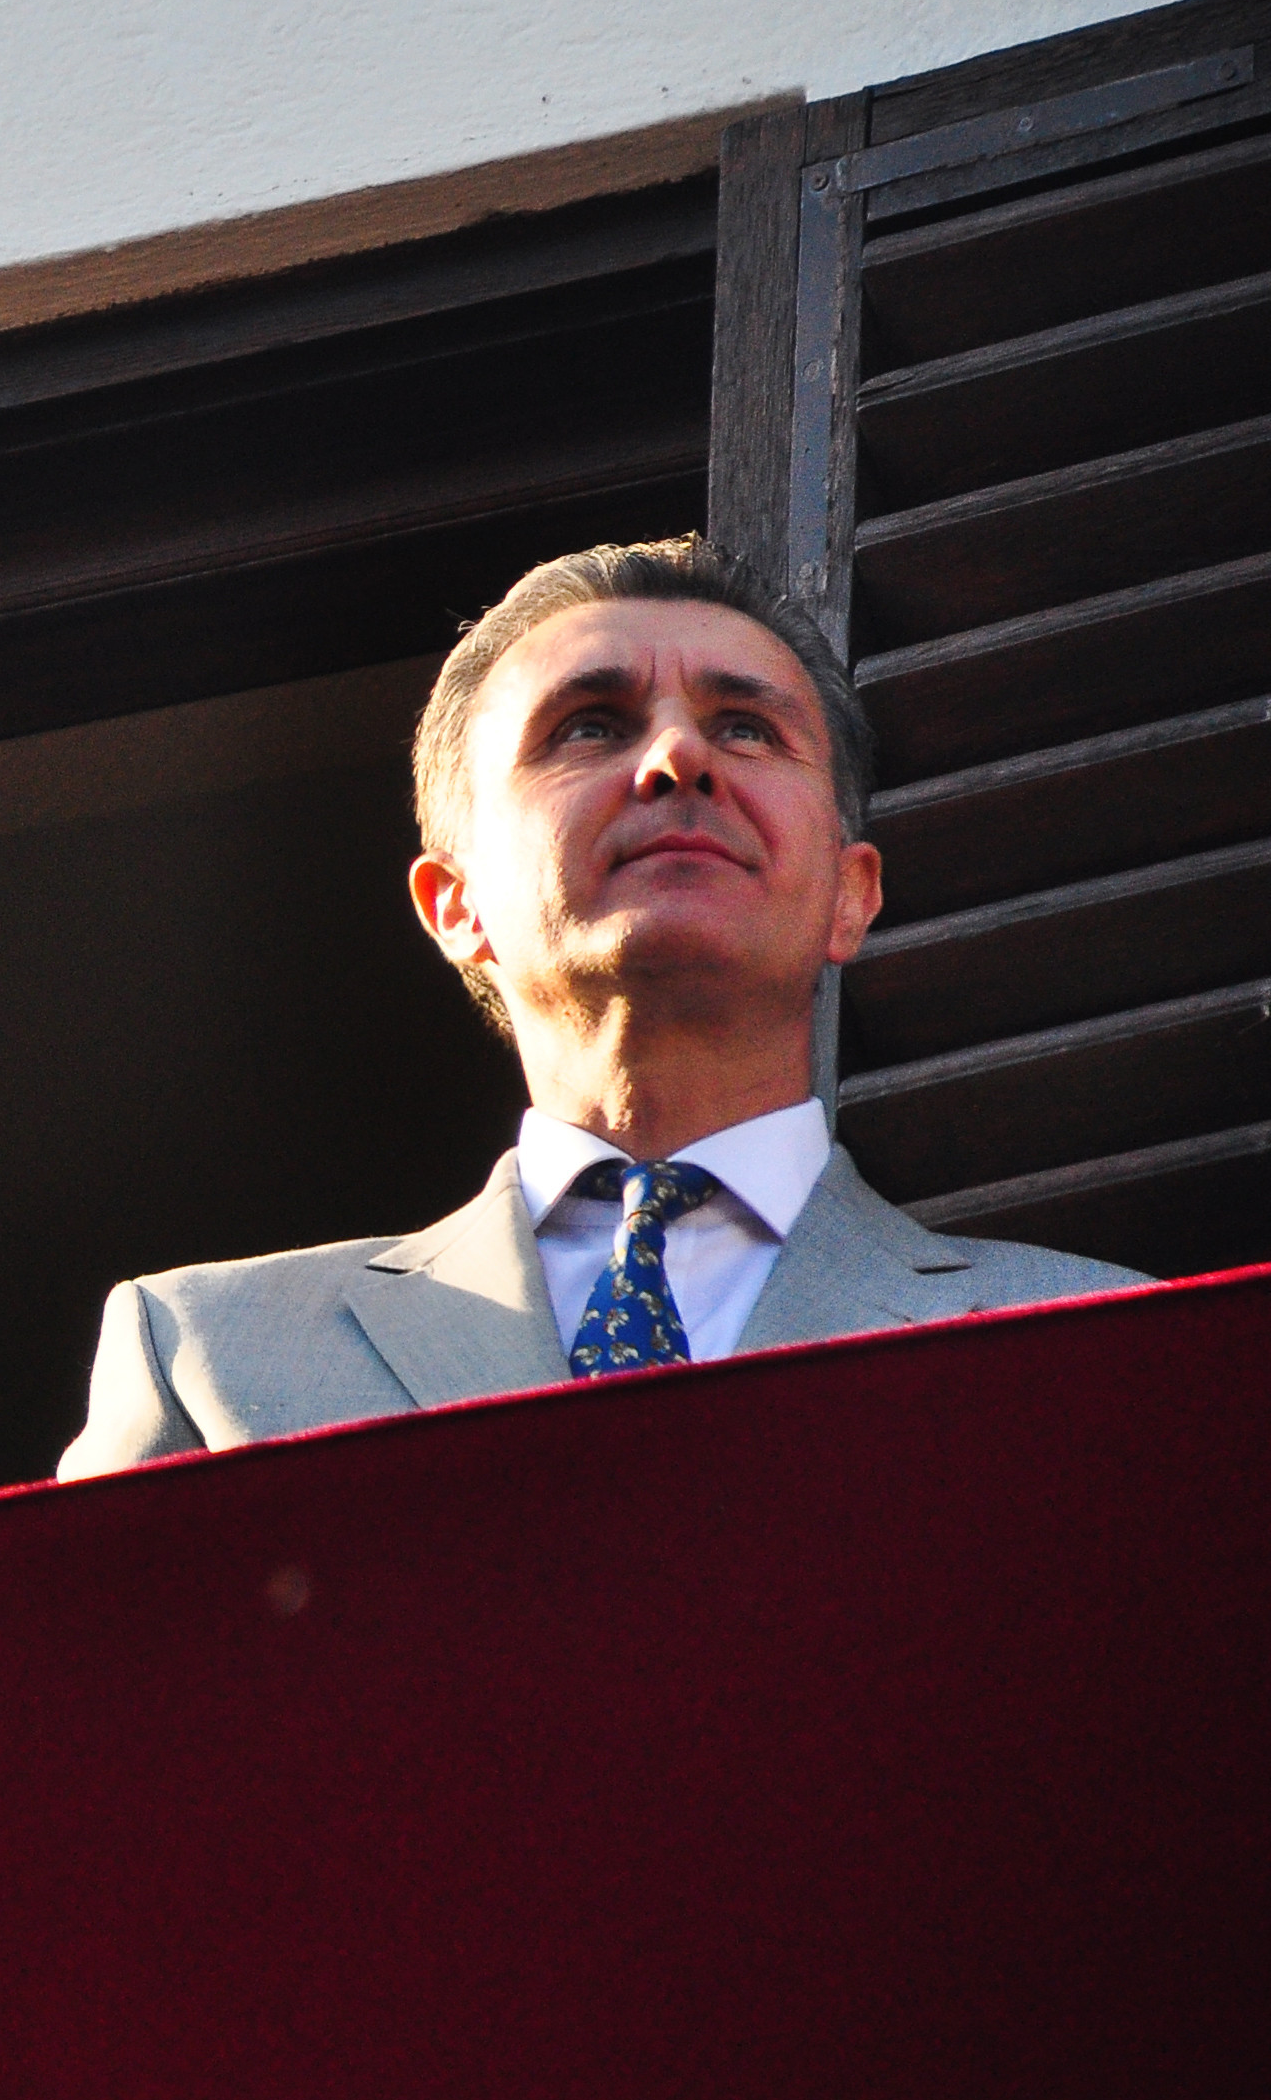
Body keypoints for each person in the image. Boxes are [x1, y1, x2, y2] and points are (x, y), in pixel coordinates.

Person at [62, 538, 1144, 1475]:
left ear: (849, 896)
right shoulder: (206, 1357)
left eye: (746, 729)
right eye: (588, 727)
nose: (677, 758)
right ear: (455, 904)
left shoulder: (1100, 1351)